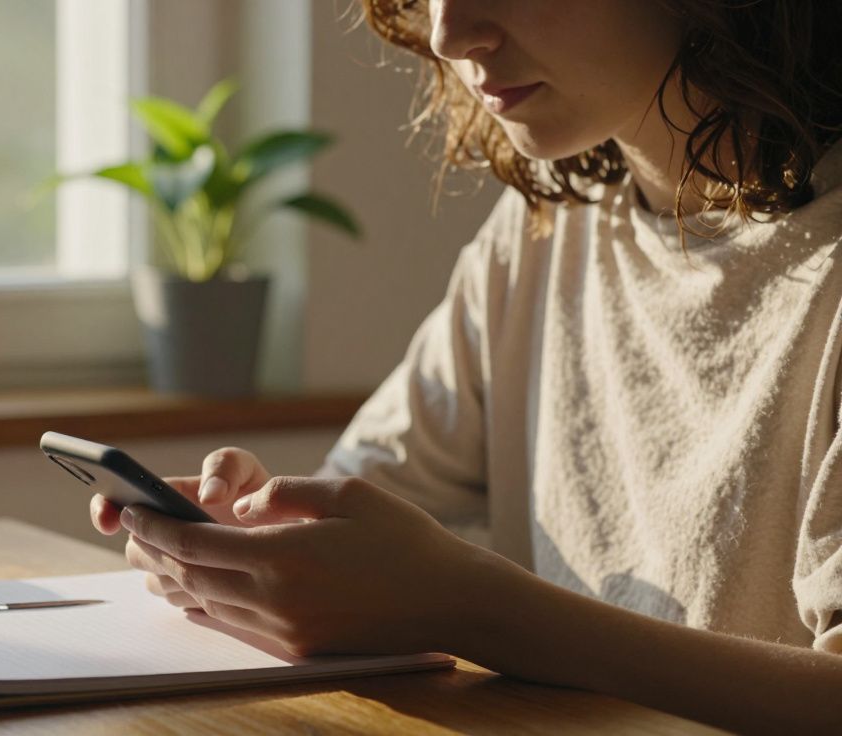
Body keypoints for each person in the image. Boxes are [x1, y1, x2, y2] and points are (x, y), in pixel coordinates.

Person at [91, 1, 842, 731]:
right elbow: (368, 500)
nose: (448, 33)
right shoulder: (545, 231)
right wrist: (247, 545)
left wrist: (475, 609)